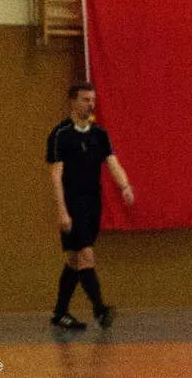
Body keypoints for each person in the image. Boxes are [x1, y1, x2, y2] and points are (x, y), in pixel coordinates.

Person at [46, 82, 134, 330]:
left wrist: (125, 186)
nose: (90, 105)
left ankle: (60, 313)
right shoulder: (60, 135)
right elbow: (55, 176)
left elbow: (112, 163)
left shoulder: (99, 134)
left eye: (93, 100)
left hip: (93, 203)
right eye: (85, 100)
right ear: (73, 101)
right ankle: (100, 309)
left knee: (75, 260)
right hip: (72, 204)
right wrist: (62, 211)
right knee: (86, 256)